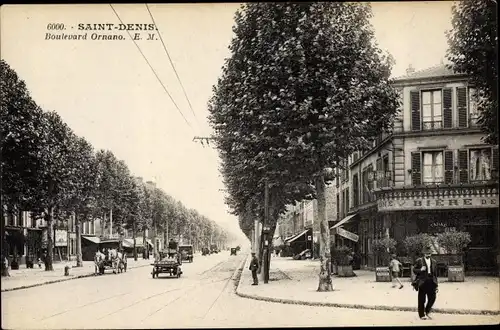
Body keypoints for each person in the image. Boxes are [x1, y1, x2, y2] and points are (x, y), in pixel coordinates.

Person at [413, 246, 439, 320]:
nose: (428, 255)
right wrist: (420, 270)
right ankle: (421, 315)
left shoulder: (434, 262)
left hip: (431, 281)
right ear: (424, 253)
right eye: (427, 253)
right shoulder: (419, 260)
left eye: (429, 253)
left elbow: (435, 275)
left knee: (432, 298)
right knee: (421, 299)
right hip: (423, 282)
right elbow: (414, 270)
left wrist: (436, 285)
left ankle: (427, 311)